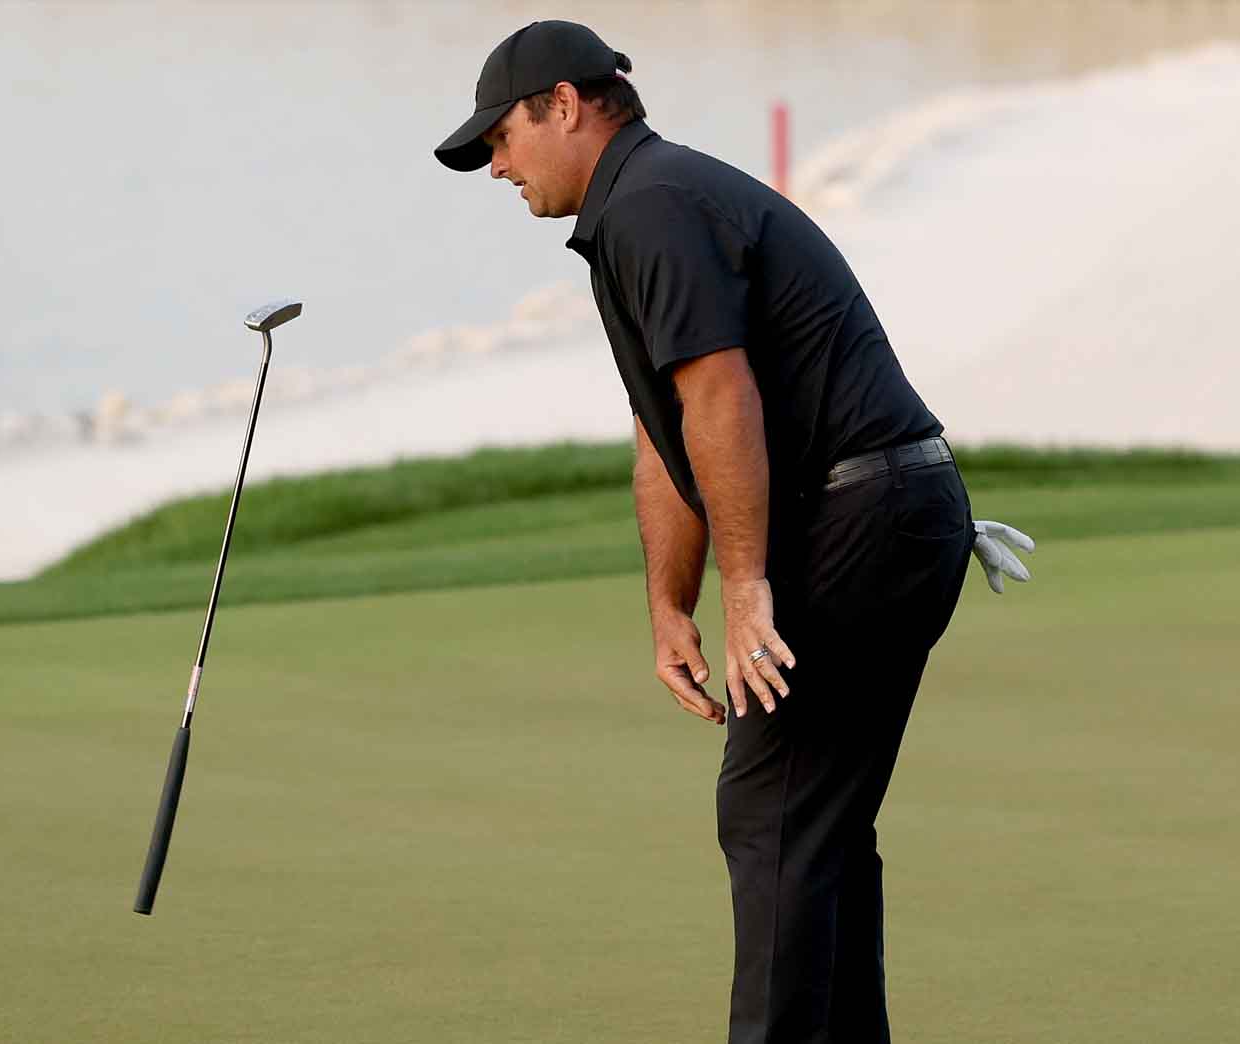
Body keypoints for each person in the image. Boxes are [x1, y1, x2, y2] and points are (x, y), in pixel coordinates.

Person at [435, 20, 1033, 1044]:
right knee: (816, 829)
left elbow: (720, 396)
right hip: (890, 509)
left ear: (566, 106)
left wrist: (743, 585)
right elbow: (664, 428)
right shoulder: (639, 209)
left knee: (772, 817)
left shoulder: (653, 207)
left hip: (864, 517)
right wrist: (668, 602)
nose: (494, 164)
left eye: (500, 137)